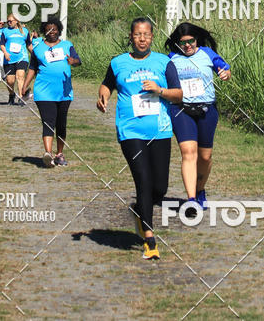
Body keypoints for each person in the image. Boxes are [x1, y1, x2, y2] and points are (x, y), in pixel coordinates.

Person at [97, 17, 182, 260]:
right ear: (131, 37)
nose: (142, 38)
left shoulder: (164, 63)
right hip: (130, 131)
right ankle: (150, 240)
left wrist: (160, 90)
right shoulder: (118, 63)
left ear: (152, 37)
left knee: (160, 188)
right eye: (137, 34)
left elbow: (179, 95)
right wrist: (102, 96)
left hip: (160, 131)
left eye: (146, 34)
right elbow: (106, 86)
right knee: (143, 182)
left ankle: (139, 210)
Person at [164, 22, 231, 210]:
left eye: (190, 41)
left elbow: (224, 68)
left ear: (196, 40)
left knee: (205, 157)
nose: (187, 46)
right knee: (188, 153)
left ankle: (200, 190)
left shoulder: (207, 54)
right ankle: (191, 199)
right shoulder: (171, 58)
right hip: (181, 110)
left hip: (207, 110)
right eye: (183, 43)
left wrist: (225, 74)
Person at [23, 17, 81, 168]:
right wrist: (25, 85)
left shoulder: (67, 45)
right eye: (48, 29)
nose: (52, 32)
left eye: (54, 29)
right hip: (43, 92)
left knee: (61, 124)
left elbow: (78, 61)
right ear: (44, 31)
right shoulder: (38, 49)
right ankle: (48, 154)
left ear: (59, 30)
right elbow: (32, 68)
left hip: (64, 92)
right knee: (48, 121)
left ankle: (59, 154)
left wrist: (72, 61)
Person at [0, 13, 32, 105]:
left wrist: (34, 55)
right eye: (7, 21)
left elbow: (29, 45)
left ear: (16, 21)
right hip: (9, 59)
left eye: (10, 21)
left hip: (22, 58)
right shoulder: (5, 31)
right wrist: (5, 53)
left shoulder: (24, 31)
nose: (8, 23)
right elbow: (1, 44)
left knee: (20, 77)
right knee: (10, 81)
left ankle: (21, 97)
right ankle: (11, 94)